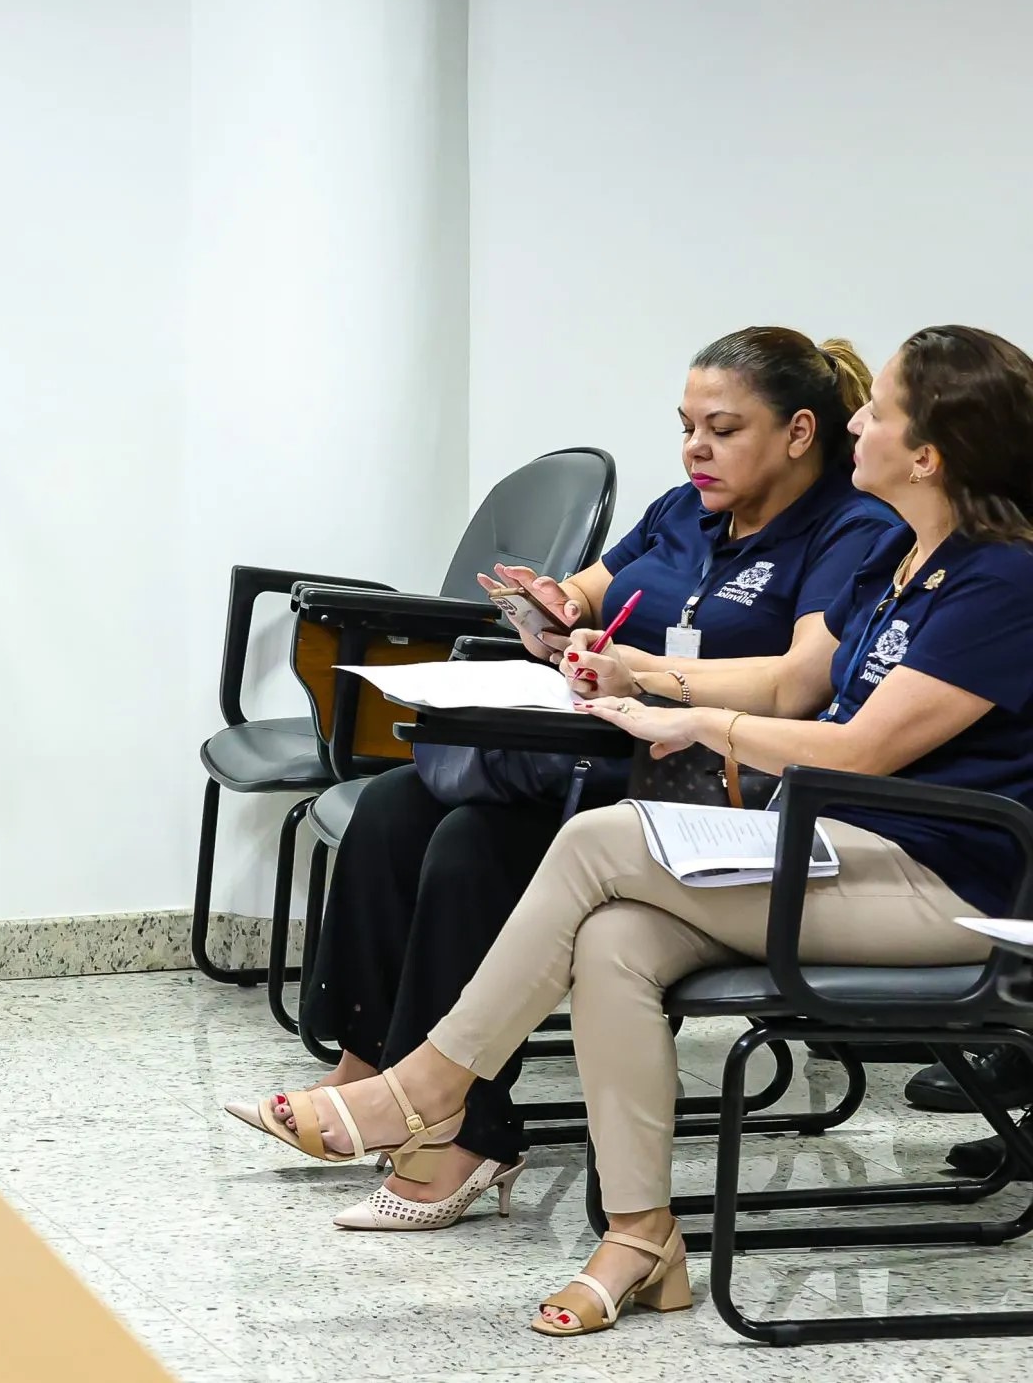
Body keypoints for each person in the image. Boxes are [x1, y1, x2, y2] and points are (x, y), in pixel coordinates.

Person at [239, 326, 1033, 1338]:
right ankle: (639, 1235)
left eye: (876, 409)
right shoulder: (910, 565)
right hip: (830, 854)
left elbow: (862, 749)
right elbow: (807, 697)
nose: (857, 421)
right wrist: (639, 680)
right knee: (613, 941)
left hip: (945, 885)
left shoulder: (1002, 582)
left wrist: (692, 718)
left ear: (926, 453)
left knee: (598, 841)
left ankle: (430, 1087)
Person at [271, 329, 893, 1231]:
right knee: (394, 806)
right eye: (686, 426)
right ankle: (366, 1070)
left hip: (711, 782)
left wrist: (640, 673)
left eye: (722, 429)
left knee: (473, 844)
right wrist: (553, 605)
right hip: (604, 754)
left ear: (801, 432)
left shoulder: (850, 529)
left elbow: (799, 684)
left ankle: (462, 1134)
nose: (695, 449)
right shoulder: (686, 507)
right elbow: (593, 590)